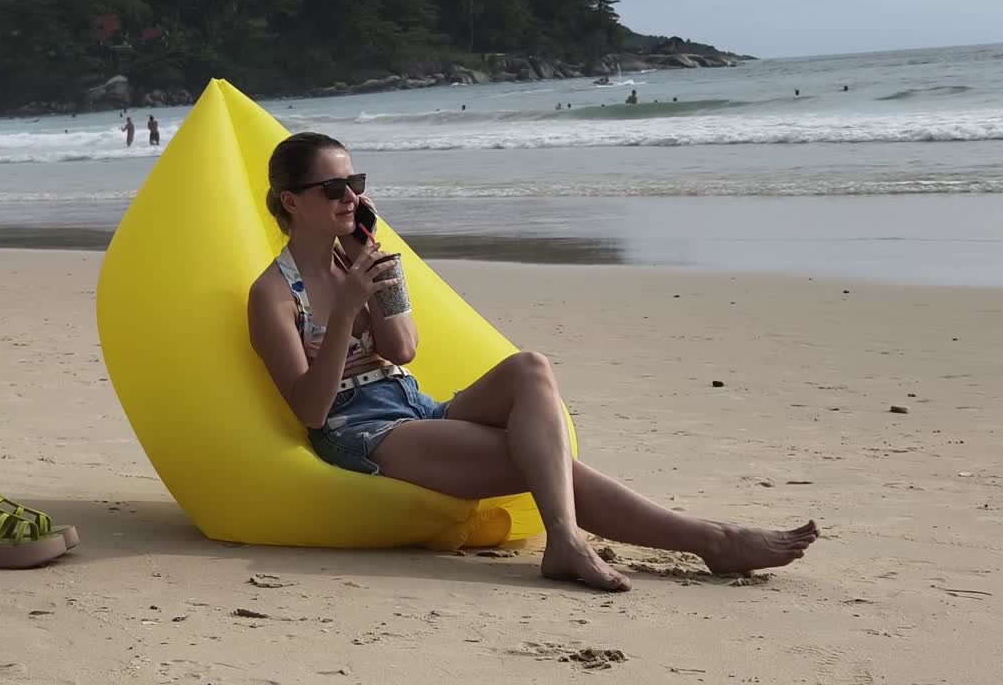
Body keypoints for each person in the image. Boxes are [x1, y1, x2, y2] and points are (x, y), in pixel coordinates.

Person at [247, 132, 820, 592]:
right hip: (360, 428)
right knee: (536, 458)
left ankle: (646, 539)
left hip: (411, 402)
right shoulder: (274, 294)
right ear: (292, 201)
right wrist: (347, 313)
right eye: (333, 187)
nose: (351, 197)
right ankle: (699, 540)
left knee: (530, 367)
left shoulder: (360, 265)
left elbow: (401, 350)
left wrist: (379, 280)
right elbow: (313, 411)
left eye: (356, 182)